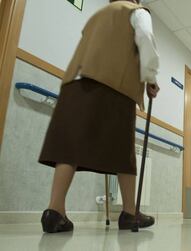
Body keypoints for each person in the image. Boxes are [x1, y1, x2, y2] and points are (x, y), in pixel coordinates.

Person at [38, 0, 160, 233]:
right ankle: (129, 213)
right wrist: (151, 78)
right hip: (114, 86)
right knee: (123, 150)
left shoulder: (98, 15)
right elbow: (145, 38)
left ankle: (55, 211)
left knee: (69, 147)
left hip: (75, 83)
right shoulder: (137, 11)